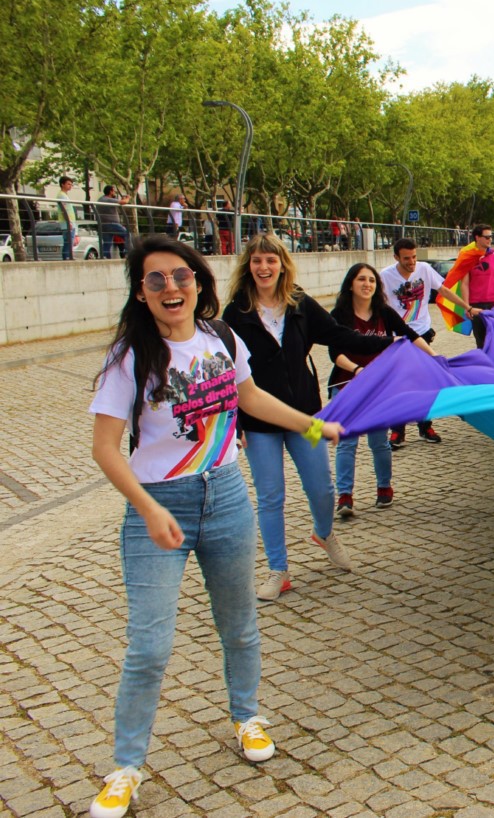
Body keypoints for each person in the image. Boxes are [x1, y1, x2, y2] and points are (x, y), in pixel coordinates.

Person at [87, 236, 343, 818]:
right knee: (149, 646)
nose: (171, 288)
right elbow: (105, 450)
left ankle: (247, 716)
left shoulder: (221, 339)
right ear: (141, 292)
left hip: (226, 495)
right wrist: (149, 509)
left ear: (199, 283)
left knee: (240, 623)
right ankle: (126, 765)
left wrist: (310, 426)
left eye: (181, 276)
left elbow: (250, 397)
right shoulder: (130, 356)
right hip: (158, 506)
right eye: (156, 280)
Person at [223, 233, 392, 600]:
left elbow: (338, 334)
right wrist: (234, 423)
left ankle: (324, 533)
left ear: (282, 263)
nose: (264, 267)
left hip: (307, 414)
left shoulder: (298, 302)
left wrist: (389, 342)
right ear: (248, 266)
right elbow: (226, 375)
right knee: (270, 496)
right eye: (257, 261)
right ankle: (278, 570)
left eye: (271, 260)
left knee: (323, 488)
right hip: (258, 421)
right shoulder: (236, 313)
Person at [329, 263, 437, 517]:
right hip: (347, 385)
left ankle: (384, 488)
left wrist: (434, 357)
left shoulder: (384, 313)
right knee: (346, 443)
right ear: (350, 284)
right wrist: (357, 370)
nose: (367, 284)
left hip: (379, 387)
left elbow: (410, 335)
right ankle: (345, 497)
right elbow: (335, 353)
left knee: (379, 443)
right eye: (361, 279)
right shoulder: (339, 315)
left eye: (372, 280)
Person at [380, 238, 472, 447]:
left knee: (423, 383)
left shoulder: (425, 269)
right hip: (399, 338)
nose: (412, 262)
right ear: (396, 257)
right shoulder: (385, 277)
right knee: (400, 385)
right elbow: (378, 305)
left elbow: (445, 290)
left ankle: (425, 426)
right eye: (406, 259)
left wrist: (467, 307)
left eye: (414, 257)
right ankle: (398, 430)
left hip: (422, 335)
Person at [460, 224, 494, 310]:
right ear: (477, 238)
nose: (490, 239)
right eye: (487, 237)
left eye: (491, 237)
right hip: (475, 303)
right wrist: (466, 306)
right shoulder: (467, 257)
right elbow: (464, 284)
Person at [97, 185, 129, 259]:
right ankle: (127, 252)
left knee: (107, 242)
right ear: (110, 191)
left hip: (104, 224)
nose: (114, 193)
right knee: (127, 234)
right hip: (112, 224)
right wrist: (127, 198)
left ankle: (104, 256)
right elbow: (124, 202)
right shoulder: (108, 199)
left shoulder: (100, 199)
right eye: (114, 191)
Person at [56, 176, 76, 260]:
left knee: (70, 241)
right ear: (62, 184)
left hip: (70, 222)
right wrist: (68, 222)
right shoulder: (62, 195)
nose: (70, 186)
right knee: (68, 241)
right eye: (68, 184)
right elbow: (63, 209)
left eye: (71, 184)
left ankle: (68, 257)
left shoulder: (65, 195)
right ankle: (67, 257)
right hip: (67, 222)